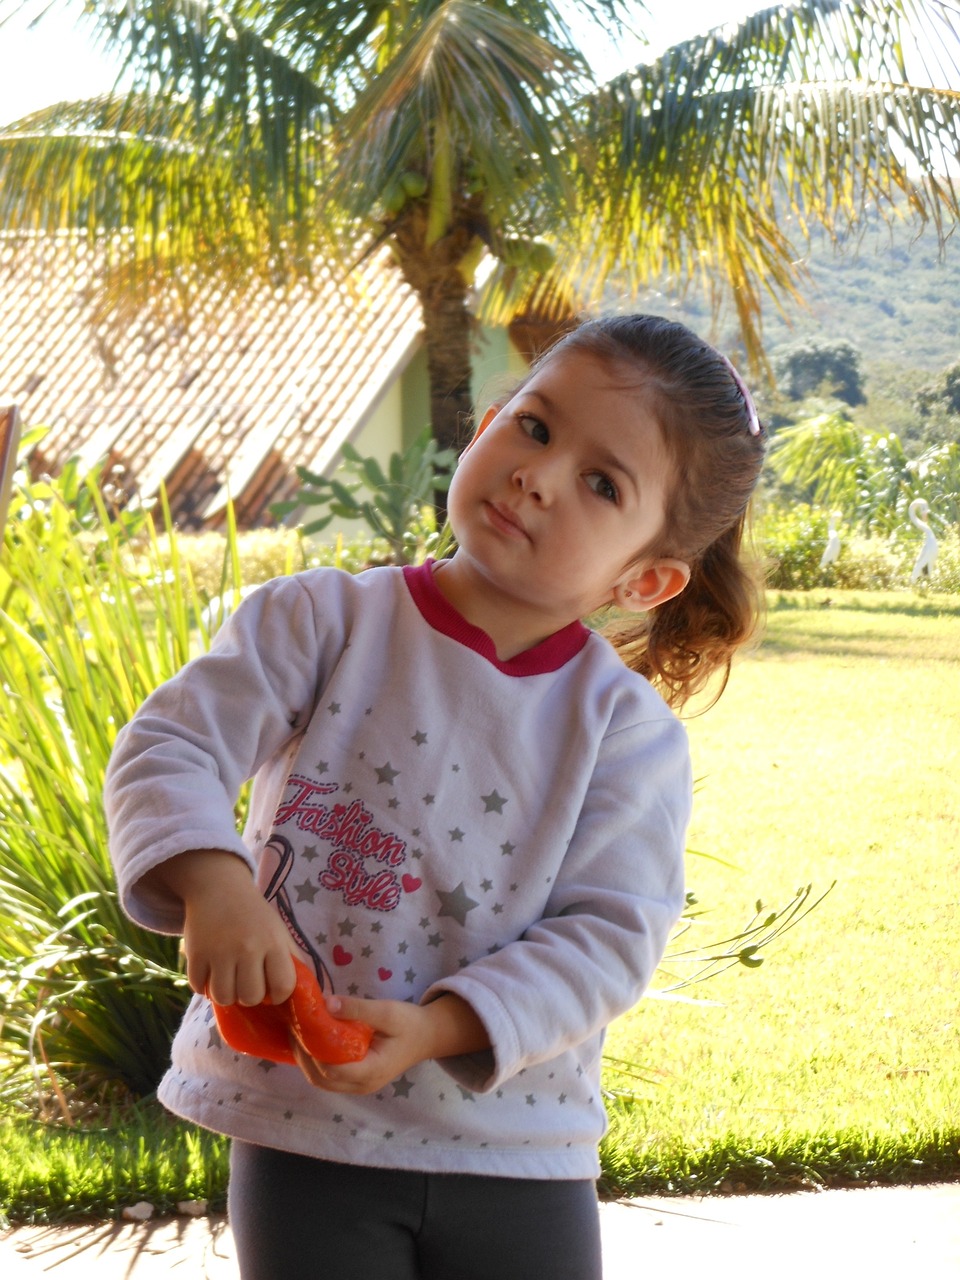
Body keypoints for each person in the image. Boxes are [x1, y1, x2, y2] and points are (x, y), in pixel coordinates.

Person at [105, 313, 766, 1280]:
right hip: (307, 1130)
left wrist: (442, 1027)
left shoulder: (625, 734)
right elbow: (170, 743)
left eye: (602, 483)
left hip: (518, 1155)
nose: (538, 474)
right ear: (487, 421)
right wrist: (214, 881)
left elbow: (609, 937)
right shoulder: (319, 623)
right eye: (535, 427)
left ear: (649, 577)